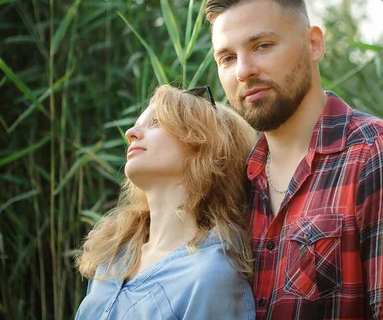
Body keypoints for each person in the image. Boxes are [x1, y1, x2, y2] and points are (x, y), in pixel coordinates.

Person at [204, 0, 383, 319]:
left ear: (314, 44)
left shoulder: (380, 155)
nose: (243, 71)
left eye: (262, 46)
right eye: (227, 58)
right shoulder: (236, 180)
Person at [74, 84, 257, 320]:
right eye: (138, 123)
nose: (131, 132)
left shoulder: (211, 276)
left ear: (204, 145)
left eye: (157, 122)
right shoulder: (114, 255)